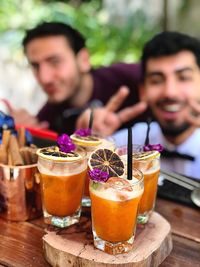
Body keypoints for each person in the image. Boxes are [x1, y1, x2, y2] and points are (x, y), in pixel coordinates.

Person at [82, 31, 200, 179]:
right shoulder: (129, 142)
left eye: (183, 78)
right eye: (156, 80)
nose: (170, 92)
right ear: (143, 91)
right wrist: (92, 143)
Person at [8, 21, 147, 134]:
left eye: (55, 61)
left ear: (83, 60)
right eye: (36, 66)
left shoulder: (131, 77)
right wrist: (20, 134)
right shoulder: (47, 118)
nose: (45, 78)